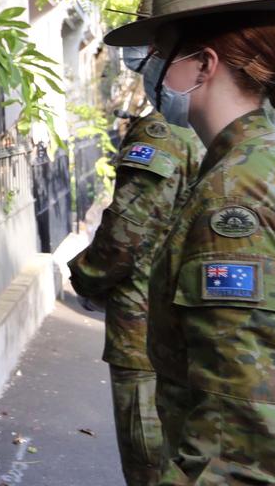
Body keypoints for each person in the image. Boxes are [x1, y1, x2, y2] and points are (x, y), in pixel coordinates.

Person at [104, 0, 275, 483]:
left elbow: (239, 444)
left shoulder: (234, 198)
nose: (149, 71)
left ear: (204, 65)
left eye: (159, 55)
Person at [68, 63, 202, 483]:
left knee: (151, 463)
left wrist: (85, 276)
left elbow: (127, 231)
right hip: (197, 331)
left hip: (146, 329)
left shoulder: (161, 133)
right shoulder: (218, 131)